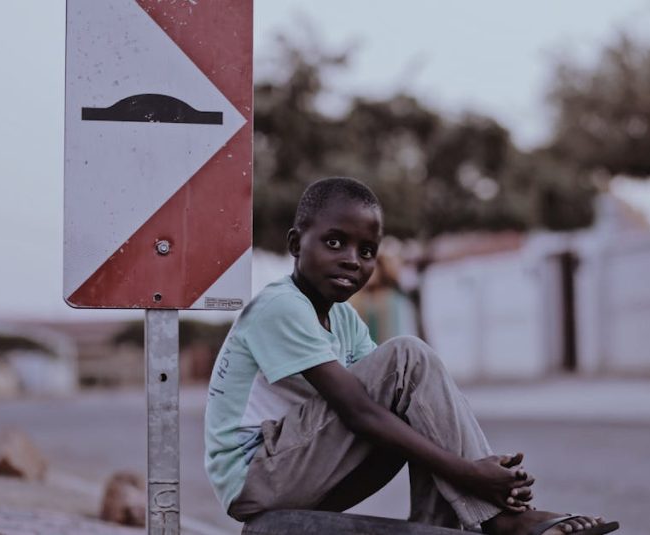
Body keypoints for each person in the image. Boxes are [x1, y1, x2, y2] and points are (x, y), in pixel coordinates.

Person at [204, 177, 619, 535]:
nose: (352, 260)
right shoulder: (280, 305)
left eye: (367, 251)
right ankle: (501, 520)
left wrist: (478, 468)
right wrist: (471, 474)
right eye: (335, 242)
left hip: (291, 467)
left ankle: (440, 526)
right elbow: (360, 411)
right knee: (408, 356)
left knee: (416, 403)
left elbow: (403, 401)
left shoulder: (343, 319)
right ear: (296, 243)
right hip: (255, 473)